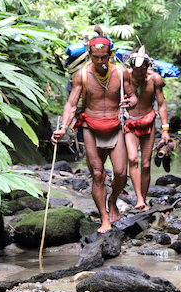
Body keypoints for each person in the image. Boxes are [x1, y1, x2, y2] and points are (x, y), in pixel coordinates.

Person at [51, 30, 137, 233]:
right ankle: (104, 219)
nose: (100, 61)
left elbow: (133, 97)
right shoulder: (81, 75)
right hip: (90, 126)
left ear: (110, 54)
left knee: (120, 173)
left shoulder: (121, 72)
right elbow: (71, 105)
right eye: (96, 57)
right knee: (98, 174)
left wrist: (129, 102)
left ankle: (113, 200)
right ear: (90, 55)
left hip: (115, 126)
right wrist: (63, 128)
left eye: (104, 57)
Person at [124, 46, 170, 209]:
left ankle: (143, 198)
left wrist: (165, 130)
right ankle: (139, 200)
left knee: (145, 164)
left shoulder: (155, 79)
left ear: (147, 66)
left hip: (148, 122)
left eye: (143, 69)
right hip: (129, 123)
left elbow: (161, 104)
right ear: (132, 67)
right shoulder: (125, 78)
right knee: (132, 159)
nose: (140, 73)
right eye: (137, 70)